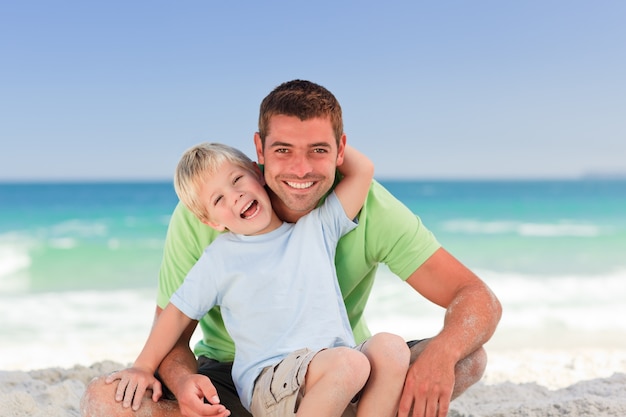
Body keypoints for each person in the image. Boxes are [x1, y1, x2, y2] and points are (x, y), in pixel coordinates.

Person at [81, 80, 502, 417]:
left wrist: (441, 355)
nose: (301, 169)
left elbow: (478, 297)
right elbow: (171, 324)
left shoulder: (326, 223)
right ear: (259, 151)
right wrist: (177, 382)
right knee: (105, 401)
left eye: (318, 150)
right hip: (243, 379)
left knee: (448, 355)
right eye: (283, 149)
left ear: (339, 150)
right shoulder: (213, 237)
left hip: (342, 367)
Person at [105, 142, 409, 417]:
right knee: (351, 364)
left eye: (237, 180)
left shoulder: (317, 228)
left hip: (332, 373)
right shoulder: (220, 258)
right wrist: (143, 366)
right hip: (272, 380)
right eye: (218, 199)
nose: (234, 195)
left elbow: (362, 171)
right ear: (211, 221)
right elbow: (176, 314)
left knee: (391, 348)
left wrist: (308, 141)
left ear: (257, 172)